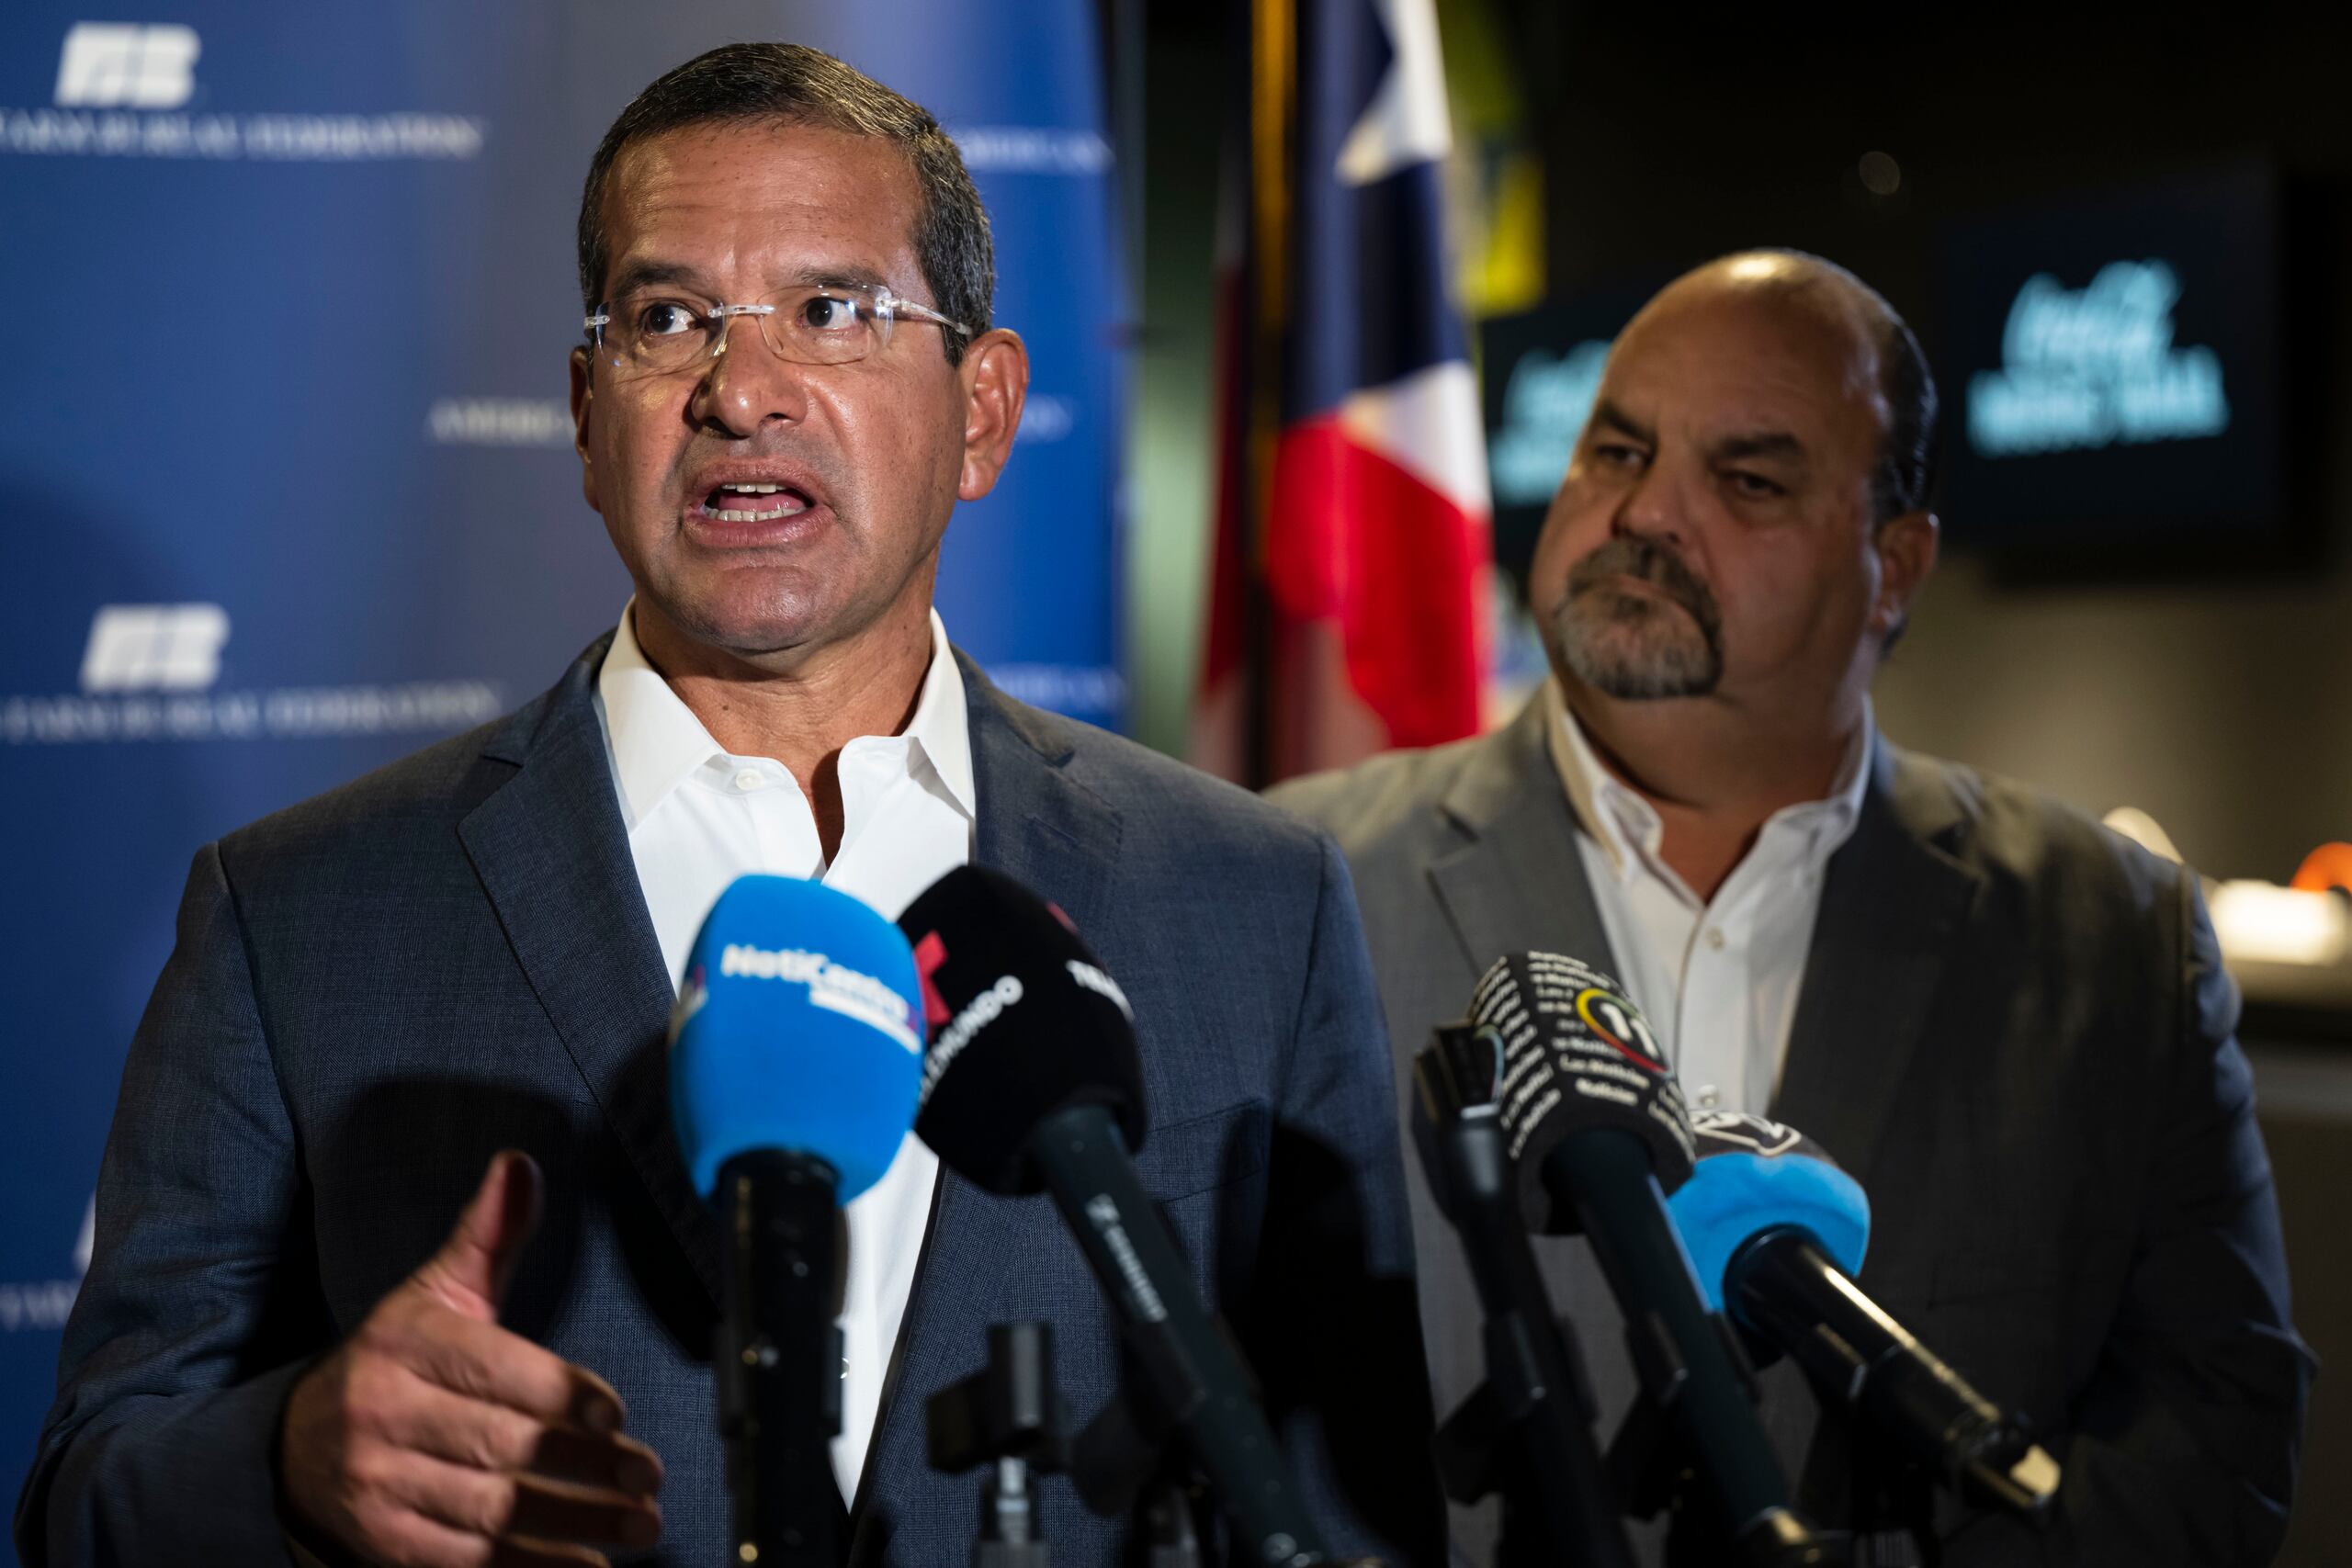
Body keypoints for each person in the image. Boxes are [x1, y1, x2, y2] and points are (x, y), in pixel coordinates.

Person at [17, 43, 1441, 1568]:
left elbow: (1355, 1510)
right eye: (668, 317)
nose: (740, 390)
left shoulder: (1247, 897)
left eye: (832, 311)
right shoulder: (298, 911)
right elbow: (98, 1489)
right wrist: (292, 1459)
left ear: (984, 409)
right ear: (586, 410)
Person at [1272, 251, 2312, 1566]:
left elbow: (2211, 1438)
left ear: (1896, 566)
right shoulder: (1297, 877)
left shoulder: (2115, 941)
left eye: (1747, 479)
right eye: (1616, 452)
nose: (1646, 513)